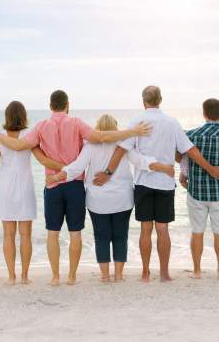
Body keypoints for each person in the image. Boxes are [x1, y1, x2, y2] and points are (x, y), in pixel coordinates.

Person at [0, 90, 151, 286]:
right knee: (75, 233)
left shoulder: (41, 126)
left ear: (50, 106)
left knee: (52, 233)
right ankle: (72, 276)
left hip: (53, 185)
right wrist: (132, 132)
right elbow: (101, 137)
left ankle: (56, 277)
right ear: (67, 105)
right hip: (74, 186)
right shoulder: (76, 123)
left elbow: (19, 145)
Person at [93, 86, 219, 282]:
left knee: (145, 228)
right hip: (165, 184)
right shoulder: (172, 122)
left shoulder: (136, 122)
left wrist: (108, 173)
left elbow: (120, 150)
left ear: (144, 102)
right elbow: (190, 150)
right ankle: (164, 273)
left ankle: (145, 272)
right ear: (161, 100)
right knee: (162, 229)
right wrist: (210, 169)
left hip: (143, 183)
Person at [46, 114, 174, 283]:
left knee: (101, 236)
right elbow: (141, 162)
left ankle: (105, 276)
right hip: (122, 199)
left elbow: (76, 168)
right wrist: (163, 167)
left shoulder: (90, 146)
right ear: (115, 128)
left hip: (98, 201)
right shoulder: (123, 145)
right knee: (121, 236)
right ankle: (119, 275)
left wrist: (57, 177)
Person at [0, 101, 63, 285]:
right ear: (24, 116)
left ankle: (11, 276)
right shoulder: (29, 136)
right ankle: (25, 276)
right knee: (25, 234)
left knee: (8, 234)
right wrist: (65, 166)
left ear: (7, 117)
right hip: (25, 187)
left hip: (6, 188)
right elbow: (42, 159)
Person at [179, 99, 219, 279]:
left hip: (197, 192)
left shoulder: (192, 135)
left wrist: (183, 175)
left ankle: (196, 271)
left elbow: (185, 159)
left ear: (204, 113)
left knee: (197, 231)